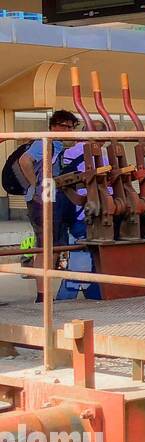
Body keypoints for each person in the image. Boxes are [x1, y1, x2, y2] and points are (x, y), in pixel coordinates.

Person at [15, 110, 81, 300]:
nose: (69, 130)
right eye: (65, 126)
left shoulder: (60, 146)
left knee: (52, 247)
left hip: (52, 195)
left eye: (71, 127)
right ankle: (42, 296)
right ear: (54, 126)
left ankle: (45, 294)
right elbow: (24, 160)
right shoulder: (45, 142)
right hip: (42, 196)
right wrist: (35, 183)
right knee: (46, 246)